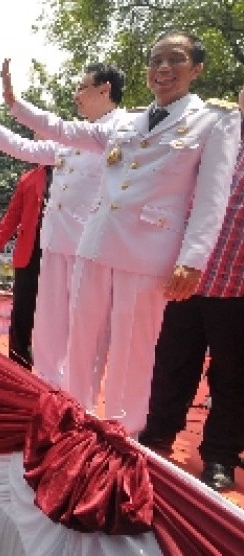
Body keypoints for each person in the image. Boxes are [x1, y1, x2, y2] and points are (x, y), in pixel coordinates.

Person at [0, 30, 242, 434]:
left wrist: (192, 260)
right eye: (156, 60)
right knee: (81, 340)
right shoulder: (128, 122)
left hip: (149, 255)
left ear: (196, 69)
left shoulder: (215, 121)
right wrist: (15, 104)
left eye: (175, 59)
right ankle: (71, 423)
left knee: (133, 351)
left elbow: (211, 200)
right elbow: (66, 131)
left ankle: (120, 434)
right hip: (95, 245)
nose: (163, 69)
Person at [0, 62, 125, 389]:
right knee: (48, 324)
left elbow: (57, 127)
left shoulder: (120, 128)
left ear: (104, 89)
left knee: (82, 327)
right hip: (56, 242)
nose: (76, 96)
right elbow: (30, 149)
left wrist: (14, 102)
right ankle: (45, 387)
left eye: (81, 87)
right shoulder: (75, 136)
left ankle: (77, 397)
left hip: (89, 247)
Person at [139, 83, 244, 491]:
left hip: (237, 284)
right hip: (186, 275)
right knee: (172, 363)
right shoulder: (211, 132)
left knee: (232, 377)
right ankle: (157, 436)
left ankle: (219, 457)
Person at [0, 163, 52, 369]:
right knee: (22, 312)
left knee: (52, 314)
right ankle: (17, 367)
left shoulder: (75, 173)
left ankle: (49, 370)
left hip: (59, 256)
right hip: (29, 254)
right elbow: (12, 215)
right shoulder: (28, 178)